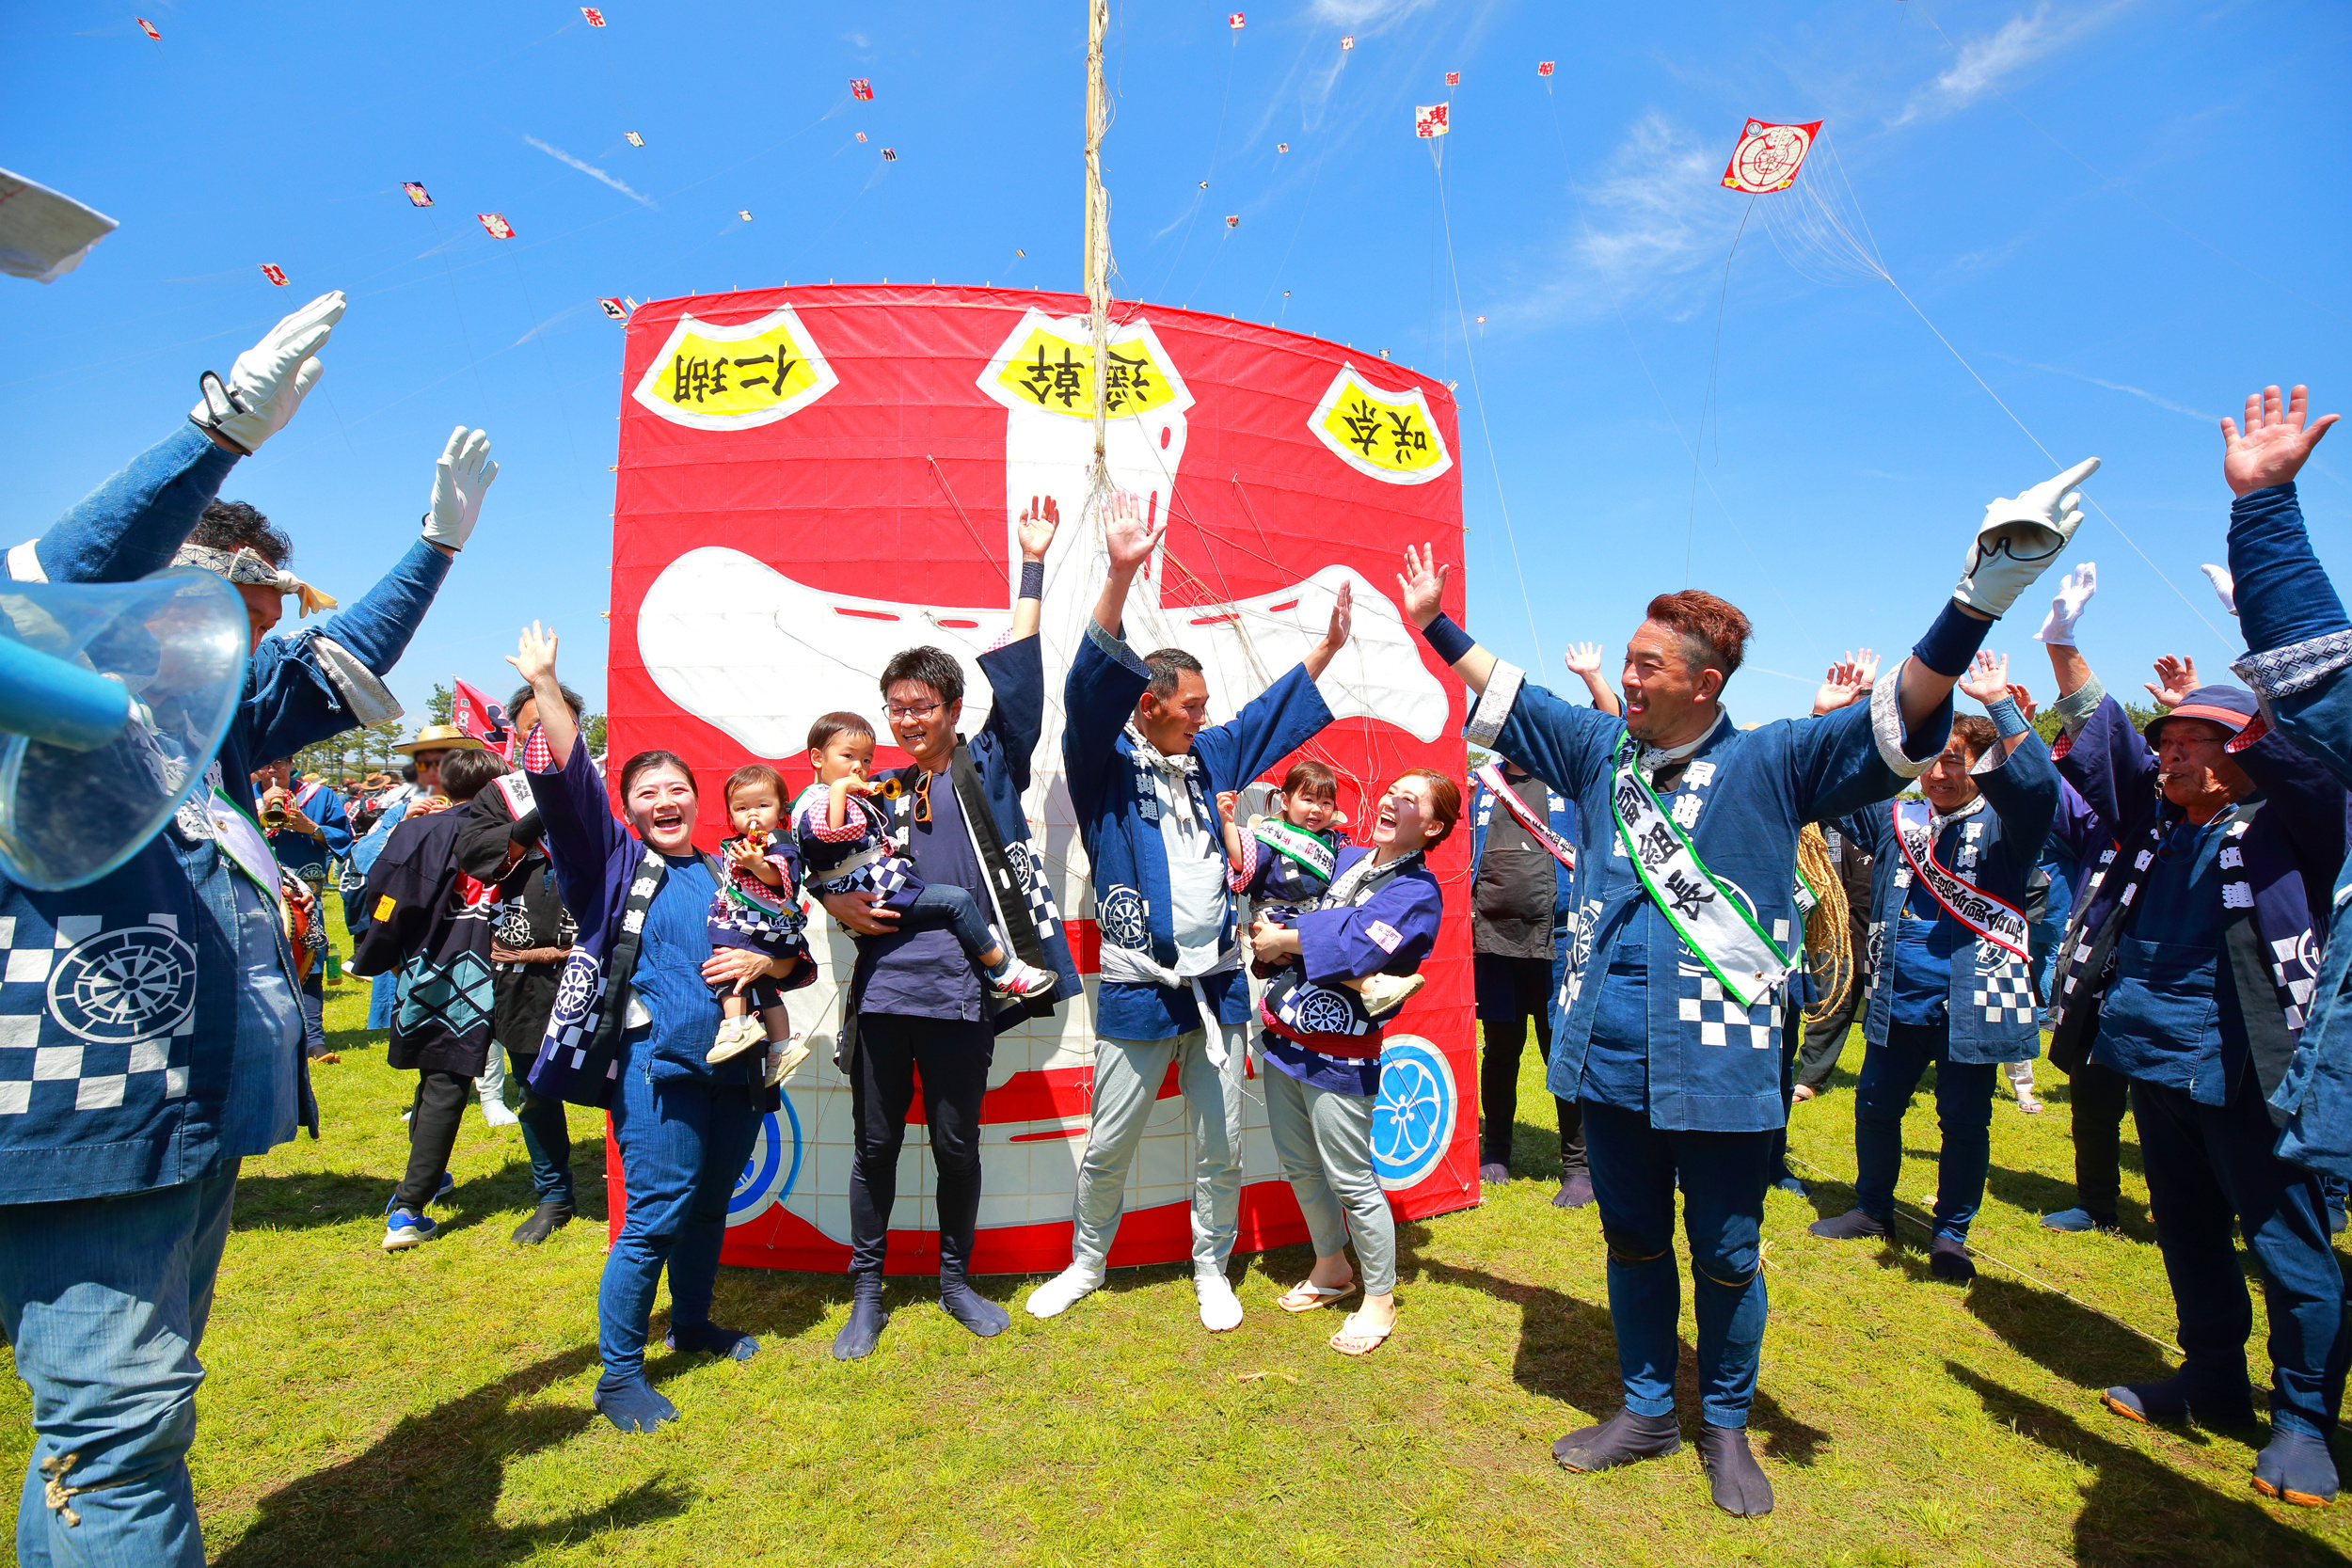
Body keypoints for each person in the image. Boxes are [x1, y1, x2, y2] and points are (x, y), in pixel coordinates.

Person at [1392, 449, 2093, 1516]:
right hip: (1608, 1054)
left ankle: (1724, 1422)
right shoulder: (1598, 750)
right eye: (1627, 662)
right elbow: (1511, 691)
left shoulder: (1776, 760)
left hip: (1723, 1066)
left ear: (1704, 683)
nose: (1627, 679)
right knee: (1631, 1238)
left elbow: (1903, 706)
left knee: (1725, 1252)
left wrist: (1980, 593)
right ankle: (1645, 1407)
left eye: (1646, 665)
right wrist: (1436, 622)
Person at [0, 291, 498, 1566]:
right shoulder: (41, 683)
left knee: (99, 1435)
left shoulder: (196, 717)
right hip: (77, 1119)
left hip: (181, 1113)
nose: (259, 636)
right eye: (238, 606)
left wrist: (434, 548)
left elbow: (340, 663)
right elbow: (49, 584)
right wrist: (213, 435)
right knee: (116, 1430)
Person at [2039, 527, 2350, 1506]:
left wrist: (2259, 637)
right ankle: (2211, 1374)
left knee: (2287, 1246)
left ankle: (2303, 1417)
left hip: (2255, 1071)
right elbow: (2102, 739)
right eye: (2165, 742)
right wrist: (2062, 647)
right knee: (2185, 1230)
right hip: (2155, 1057)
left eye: (2192, 743)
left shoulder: (2296, 821)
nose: (2167, 755)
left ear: (2245, 755)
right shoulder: (2157, 824)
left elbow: (2309, 749)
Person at [1026, 491, 1354, 1334]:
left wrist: (1324, 650)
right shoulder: (1103, 761)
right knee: (1110, 1140)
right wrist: (1119, 575)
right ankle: (1086, 1262)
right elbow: (1087, 691)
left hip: (1220, 985)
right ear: (1150, 704)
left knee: (1222, 1143)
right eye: (1192, 703)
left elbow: (1265, 719)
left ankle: (1212, 1265)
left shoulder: (1208, 758)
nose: (1206, 715)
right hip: (1140, 985)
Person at [508, 622, 813, 1431]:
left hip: (736, 1069)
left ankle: (693, 1323)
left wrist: (766, 963)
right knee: (653, 1217)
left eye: (676, 787)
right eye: (646, 792)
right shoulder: (610, 863)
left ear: (696, 798)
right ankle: (618, 1377)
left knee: (709, 1206)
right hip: (657, 1068)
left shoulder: (726, 867)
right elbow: (572, 786)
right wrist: (546, 687)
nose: (664, 800)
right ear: (627, 810)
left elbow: (792, 952)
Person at [815, 503, 1080, 1362]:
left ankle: (956, 1280)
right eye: (894, 708)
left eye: (920, 706)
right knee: (875, 1146)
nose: (905, 721)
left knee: (958, 1145)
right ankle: (866, 1291)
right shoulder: (881, 791)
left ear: (952, 707)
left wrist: (1031, 564)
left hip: (964, 993)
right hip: (885, 993)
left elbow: (1024, 684)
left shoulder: (989, 761)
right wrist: (830, 899)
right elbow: (815, 854)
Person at [1806, 653, 2062, 1282]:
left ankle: (1951, 1234)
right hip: (1898, 998)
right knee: (1875, 1107)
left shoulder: (2008, 826)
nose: (1941, 773)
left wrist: (2002, 707)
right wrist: (1826, 719)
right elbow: (1830, 791)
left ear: (1982, 765)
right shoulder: (1900, 819)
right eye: (1933, 760)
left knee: (1965, 1123)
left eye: (1956, 760)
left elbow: (2038, 788)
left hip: (1972, 1006)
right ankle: (1873, 1208)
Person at [1252, 768, 1455, 1355]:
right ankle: (1331, 1266)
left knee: (1352, 1179)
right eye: (1392, 792)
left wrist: (1289, 938)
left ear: (1432, 827)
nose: (1391, 800)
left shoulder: (1418, 892)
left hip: (1342, 1052)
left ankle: (1380, 1297)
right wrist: (1283, 927)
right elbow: (1289, 901)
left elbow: (1359, 947)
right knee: (1299, 1164)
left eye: (1409, 799)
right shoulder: (1347, 858)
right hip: (1287, 1034)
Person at [351, 748, 516, 1248]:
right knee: (449, 1075)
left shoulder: (420, 829)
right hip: (495, 963)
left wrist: (385, 953)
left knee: (437, 1071)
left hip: (427, 963)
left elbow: (381, 896)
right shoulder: (512, 833)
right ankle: (409, 1206)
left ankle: (420, 1185)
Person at [793, 712, 1057, 1006]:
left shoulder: (828, 796)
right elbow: (830, 835)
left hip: (869, 892)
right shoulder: (821, 800)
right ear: (817, 757)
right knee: (957, 901)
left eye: (866, 759)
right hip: (871, 890)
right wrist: (841, 790)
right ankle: (1002, 969)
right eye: (848, 756)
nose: (859, 767)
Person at [453, 700, 588, 1245]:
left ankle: (637, 1183)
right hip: (525, 966)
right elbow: (476, 853)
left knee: (627, 1074)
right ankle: (554, 1193)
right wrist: (538, 816)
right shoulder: (501, 793)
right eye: (535, 725)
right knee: (535, 1084)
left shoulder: (606, 781)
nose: (546, 733)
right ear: (517, 732)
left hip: (600, 955)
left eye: (558, 722)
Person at [1468, 753, 1586, 1203]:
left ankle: (1579, 1166)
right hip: (1493, 940)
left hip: (1558, 937)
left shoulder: (1568, 778)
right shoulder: (1479, 784)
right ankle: (1496, 1150)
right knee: (1500, 1051)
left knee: (1561, 1051)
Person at [1218, 758, 1421, 1017]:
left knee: (1332, 940)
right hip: (1280, 917)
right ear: (1285, 801)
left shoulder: (1334, 840)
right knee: (1322, 944)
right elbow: (1241, 861)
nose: (1317, 809)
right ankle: (1371, 987)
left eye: (1325, 803)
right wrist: (1227, 821)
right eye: (1308, 800)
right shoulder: (1271, 836)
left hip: (1315, 916)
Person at [704, 762, 811, 1078]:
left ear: (781, 809)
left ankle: (735, 1026)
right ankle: (782, 1047)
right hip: (761, 928)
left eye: (763, 805)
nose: (752, 814)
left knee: (727, 968)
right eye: (741, 808)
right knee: (765, 989)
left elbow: (783, 878)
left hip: (761, 927)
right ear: (730, 815)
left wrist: (757, 865)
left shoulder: (777, 839)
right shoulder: (741, 844)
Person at [253, 755, 353, 1063]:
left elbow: (345, 838)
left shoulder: (319, 796)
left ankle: (314, 1039)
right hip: (254, 888)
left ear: (291, 763)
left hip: (305, 896)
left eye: (279, 762)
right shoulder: (240, 794)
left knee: (310, 959)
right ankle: (263, 1035)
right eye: (265, 763)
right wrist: (259, 811)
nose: (273, 770)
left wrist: (312, 828)